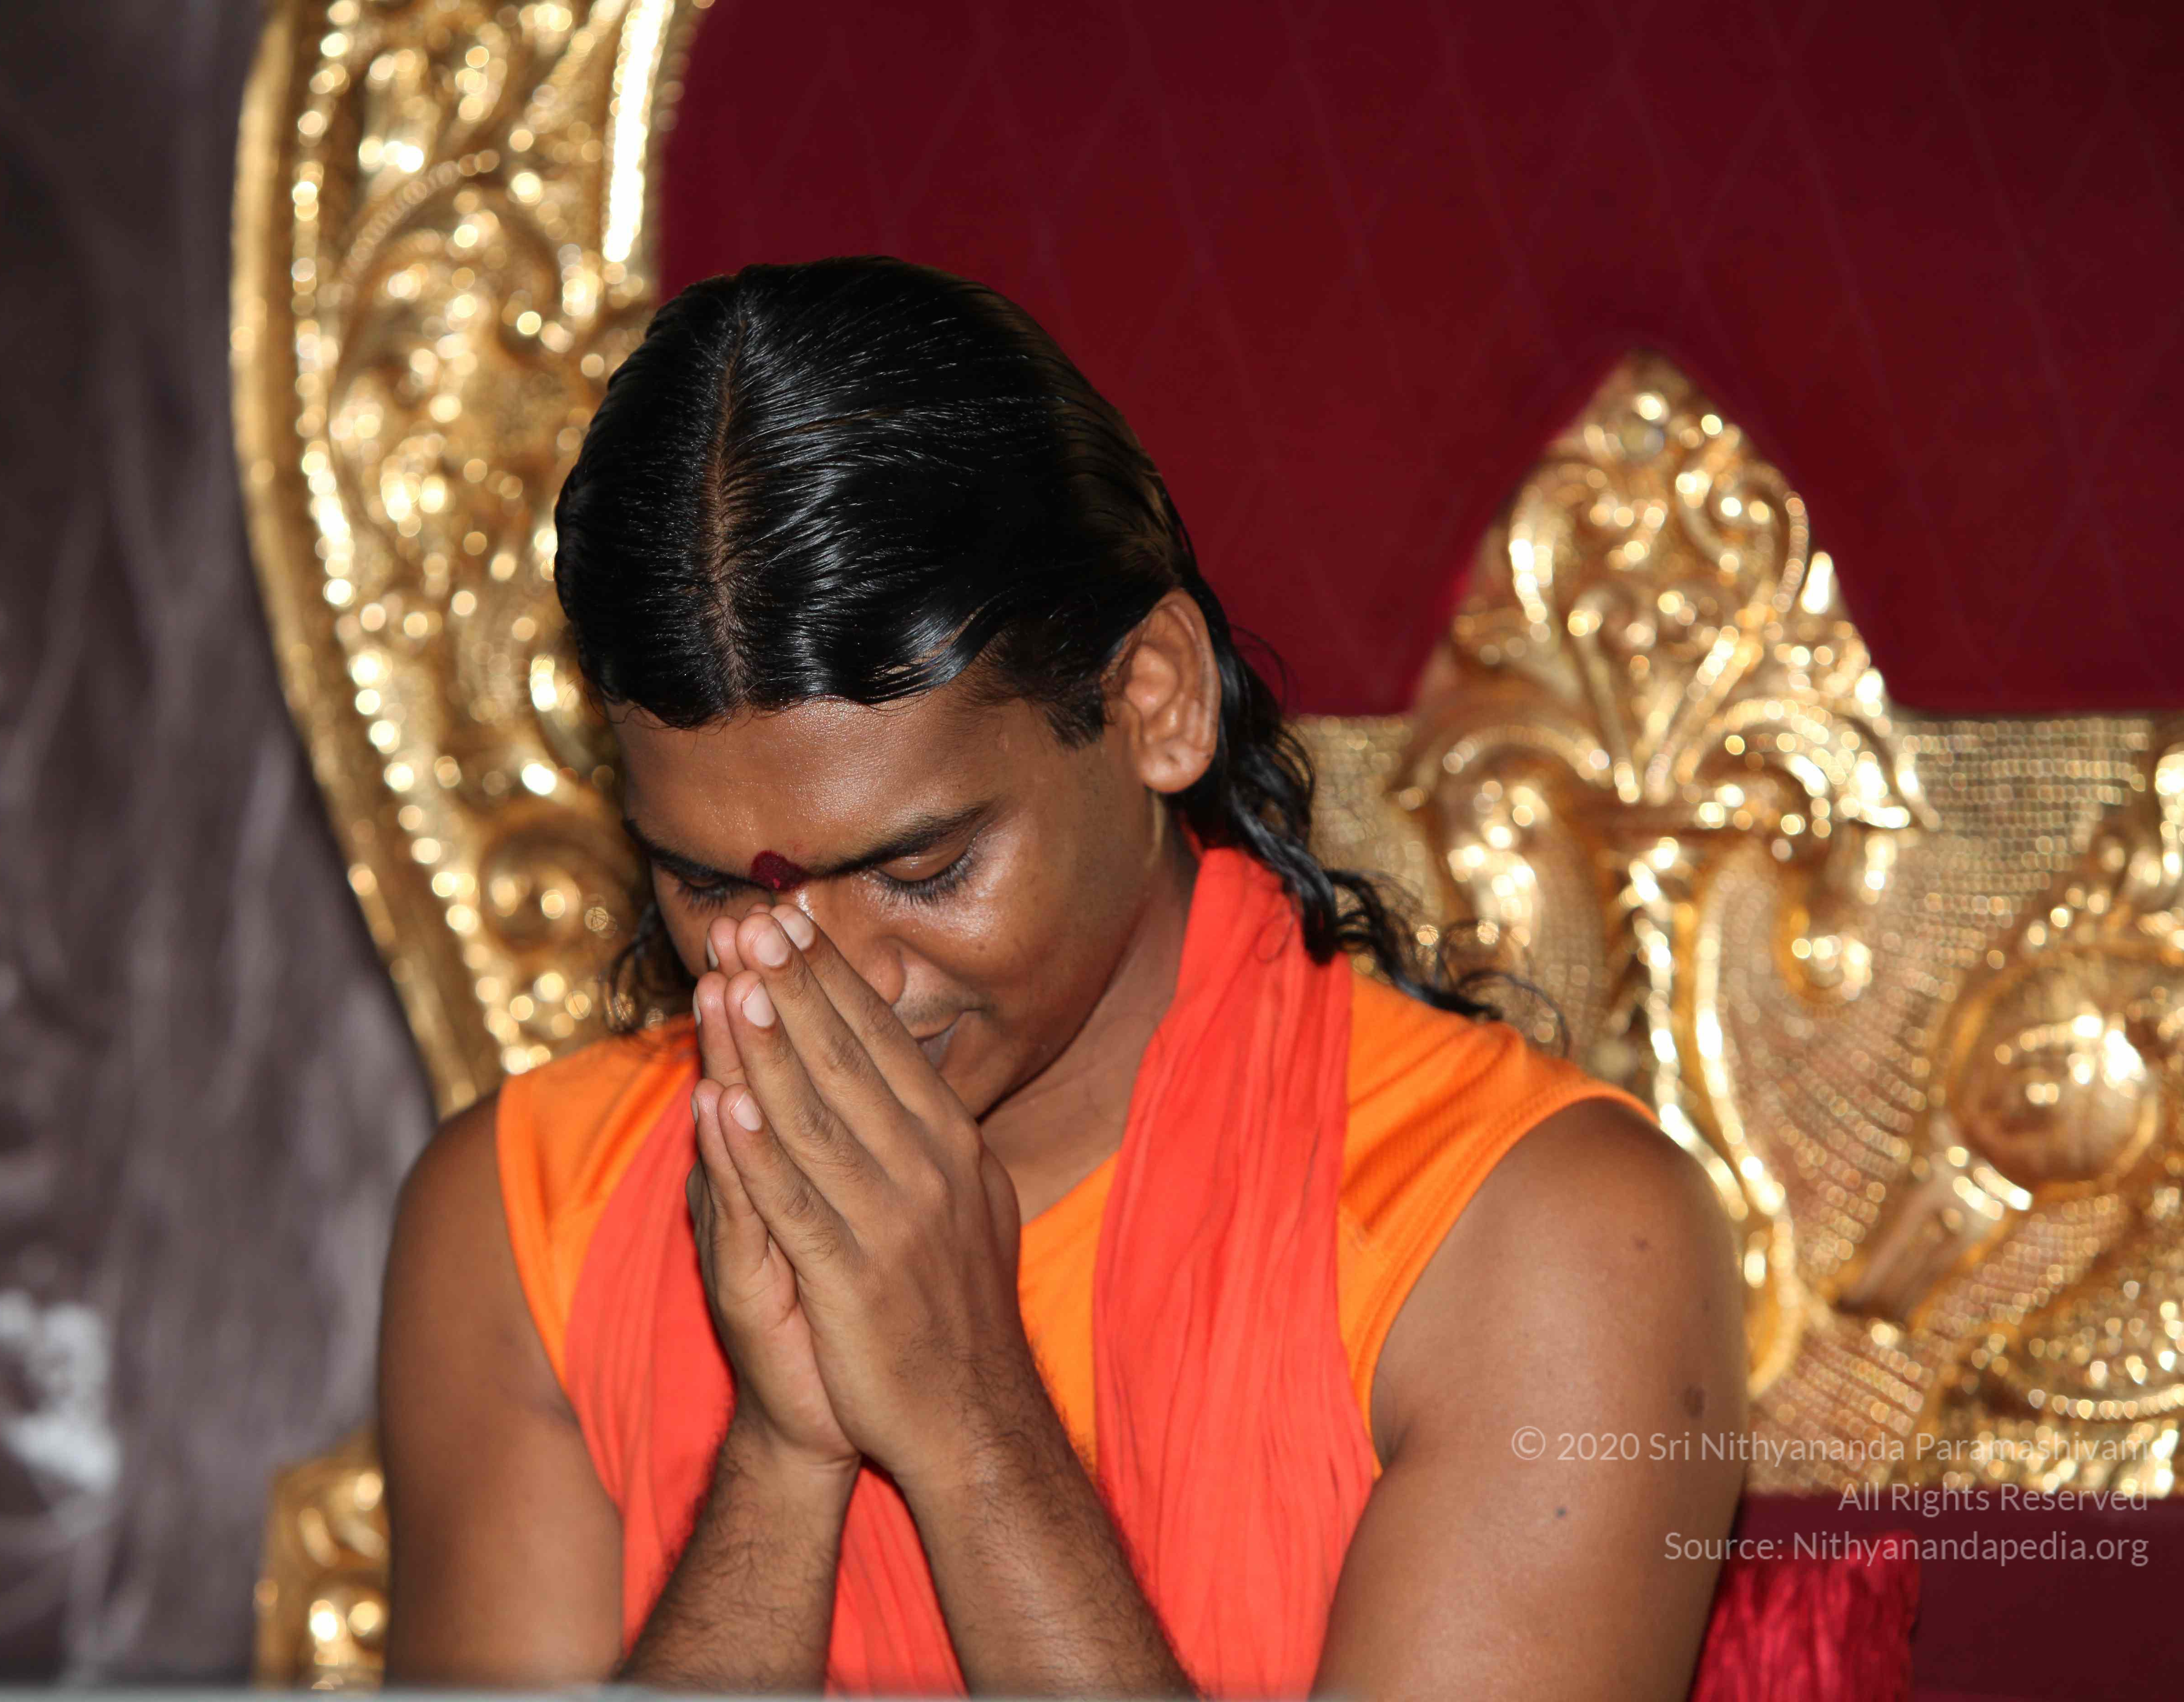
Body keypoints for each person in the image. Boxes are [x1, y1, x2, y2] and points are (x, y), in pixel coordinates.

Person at [376, 257, 1746, 1699]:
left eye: (923, 870)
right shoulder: (523, 1223)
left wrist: (973, 1423)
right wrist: (781, 1454)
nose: (825, 985)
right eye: (714, 890)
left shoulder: (1546, 1247)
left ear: (1154, 701)